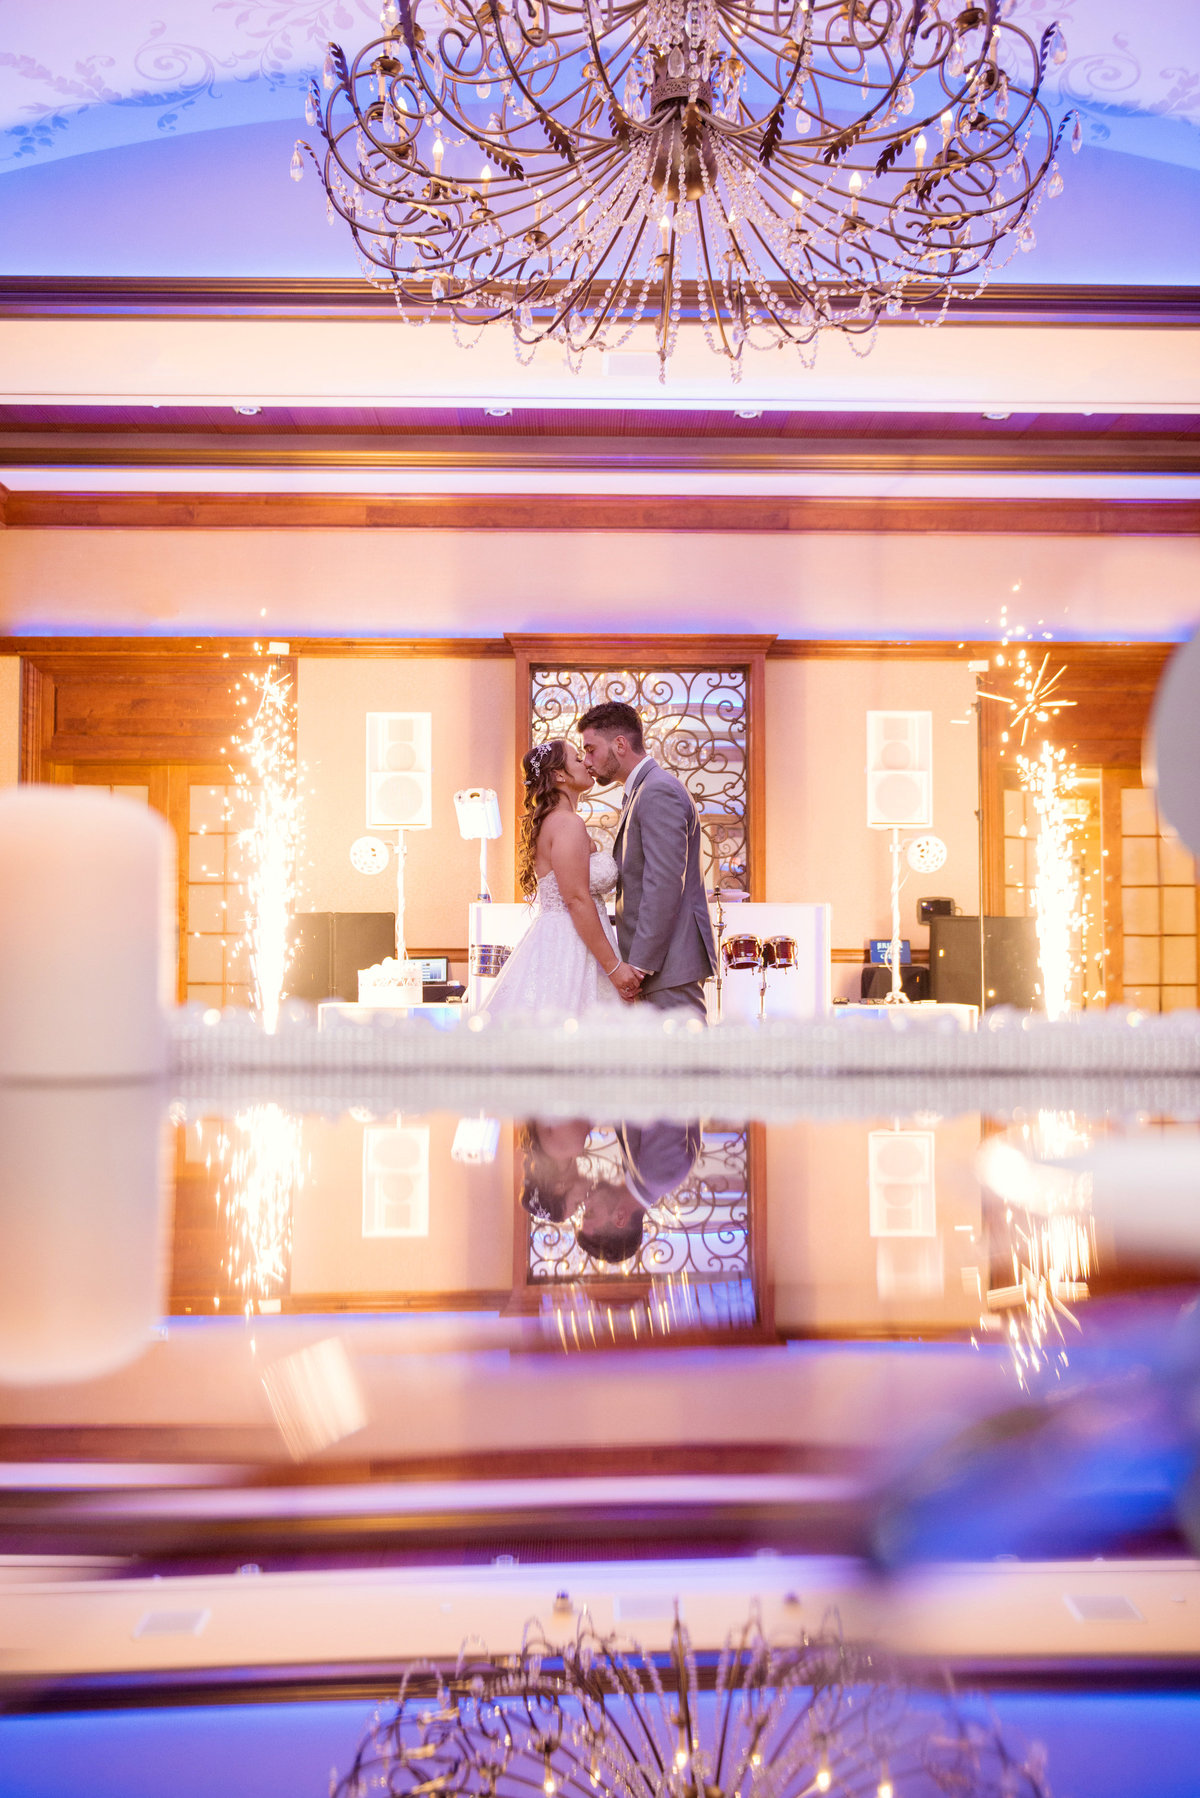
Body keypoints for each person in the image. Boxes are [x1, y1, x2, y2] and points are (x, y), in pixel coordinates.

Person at [480, 738, 641, 1017]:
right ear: (559, 774)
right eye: (578, 759)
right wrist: (614, 968)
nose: (587, 764)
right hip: (572, 944)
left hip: (568, 936)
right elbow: (577, 899)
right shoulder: (566, 823)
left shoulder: (555, 821)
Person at [578, 701, 717, 1021]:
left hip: (667, 964)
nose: (587, 761)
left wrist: (638, 965)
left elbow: (664, 883)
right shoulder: (642, 790)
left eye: (590, 749)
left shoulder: (656, 790)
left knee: (684, 1065)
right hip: (660, 964)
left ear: (620, 745)